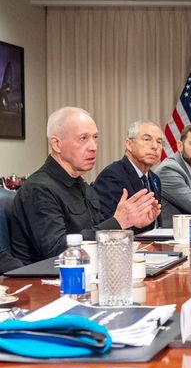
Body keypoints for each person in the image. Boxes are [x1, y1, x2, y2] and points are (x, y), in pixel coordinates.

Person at [10, 107, 160, 264]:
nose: (93, 147)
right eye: (83, 138)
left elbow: (98, 231)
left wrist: (132, 224)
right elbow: (56, 252)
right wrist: (119, 222)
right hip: (48, 282)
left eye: (95, 138)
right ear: (56, 144)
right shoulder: (39, 189)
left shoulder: (81, 185)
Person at [93, 120, 164, 234]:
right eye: (147, 139)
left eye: (159, 142)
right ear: (129, 144)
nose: (155, 146)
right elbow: (106, 226)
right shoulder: (112, 176)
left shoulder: (154, 178)